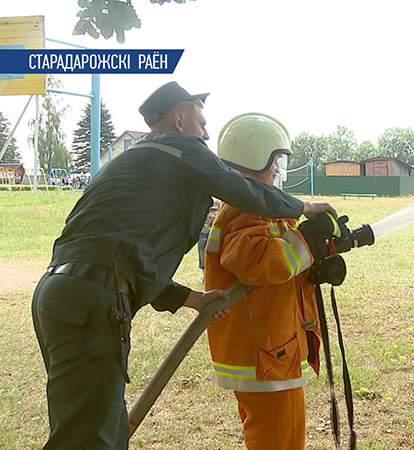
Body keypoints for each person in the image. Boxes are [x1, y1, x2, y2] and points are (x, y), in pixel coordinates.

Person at [31, 82, 336, 449]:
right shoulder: (180, 149)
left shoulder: (134, 163)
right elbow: (241, 190)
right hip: (91, 299)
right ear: (179, 119)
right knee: (89, 437)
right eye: (202, 122)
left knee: (100, 426)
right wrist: (304, 208)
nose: (206, 135)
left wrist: (192, 298)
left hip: (62, 294)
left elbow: (124, 255)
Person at [204, 113, 341, 449]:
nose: (279, 170)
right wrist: (308, 241)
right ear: (254, 159)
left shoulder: (259, 206)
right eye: (275, 161)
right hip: (265, 356)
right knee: (280, 441)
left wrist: (313, 261)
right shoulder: (244, 208)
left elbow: (284, 263)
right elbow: (259, 263)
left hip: (271, 350)